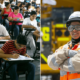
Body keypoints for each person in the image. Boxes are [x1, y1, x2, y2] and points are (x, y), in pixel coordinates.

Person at [48, 11, 80, 80]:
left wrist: (59, 65)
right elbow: (51, 63)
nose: (74, 30)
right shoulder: (64, 48)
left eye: (77, 27)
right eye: (71, 27)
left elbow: (77, 63)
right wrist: (66, 52)